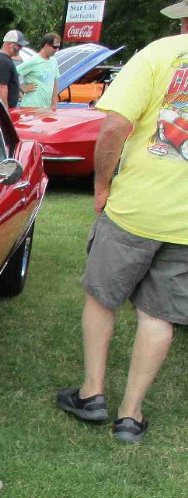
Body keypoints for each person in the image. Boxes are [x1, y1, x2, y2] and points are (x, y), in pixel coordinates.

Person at [55, 23, 188, 444]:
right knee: (158, 315)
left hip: (135, 208)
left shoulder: (159, 53)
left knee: (102, 296)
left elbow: (114, 126)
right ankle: (130, 416)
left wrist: (101, 185)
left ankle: (92, 393)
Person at [16, 33, 61, 109]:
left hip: (46, 108)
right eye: (55, 47)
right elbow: (11, 74)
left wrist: (54, 103)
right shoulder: (33, 60)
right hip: (30, 107)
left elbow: (55, 83)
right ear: (46, 46)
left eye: (58, 47)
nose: (57, 50)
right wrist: (23, 88)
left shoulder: (54, 61)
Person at [0, 29, 28, 109]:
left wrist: (19, 95)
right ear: (9, 44)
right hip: (0, 111)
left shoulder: (4, 59)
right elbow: (1, 87)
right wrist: (4, 110)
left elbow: (10, 84)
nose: (20, 48)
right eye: (19, 45)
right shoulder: (3, 61)